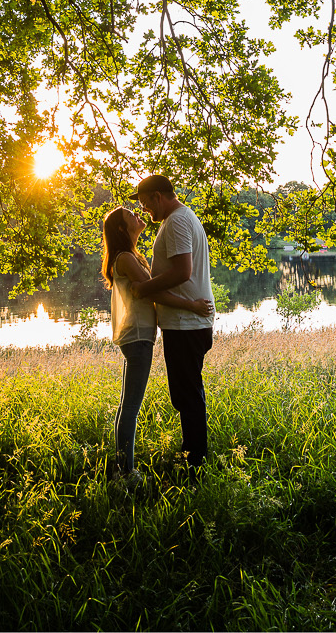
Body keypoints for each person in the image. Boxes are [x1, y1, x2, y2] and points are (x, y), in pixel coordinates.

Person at [100, 204, 212, 479]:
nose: (139, 215)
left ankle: (121, 467)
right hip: (137, 336)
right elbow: (153, 292)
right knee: (131, 406)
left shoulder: (130, 255)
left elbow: (151, 288)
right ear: (121, 228)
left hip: (137, 336)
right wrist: (192, 305)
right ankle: (125, 473)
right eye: (131, 215)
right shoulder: (125, 257)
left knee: (128, 403)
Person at [128, 174, 217, 470]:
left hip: (185, 324)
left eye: (145, 204)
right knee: (188, 393)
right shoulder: (180, 218)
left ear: (157, 196)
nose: (145, 211)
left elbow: (182, 272)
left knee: (187, 396)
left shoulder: (178, 221)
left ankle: (195, 465)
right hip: (186, 322)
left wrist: (144, 288)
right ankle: (193, 456)